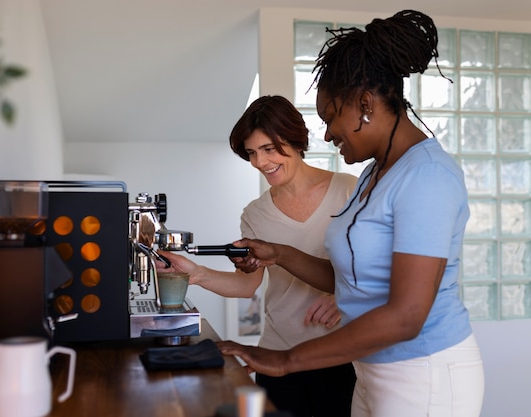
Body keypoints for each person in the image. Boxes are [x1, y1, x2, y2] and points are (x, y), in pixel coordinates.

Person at [216, 10, 485, 417]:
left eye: (329, 117)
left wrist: (286, 360)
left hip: (423, 373)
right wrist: (279, 253)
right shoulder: (373, 176)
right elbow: (350, 280)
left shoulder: (427, 175)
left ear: (364, 104)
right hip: (373, 371)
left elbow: (406, 316)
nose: (325, 134)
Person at [158, 95, 357, 417]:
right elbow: (246, 286)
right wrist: (194, 273)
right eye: (252, 152)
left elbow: (375, 270)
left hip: (338, 352)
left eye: (269, 149)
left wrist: (345, 296)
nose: (260, 162)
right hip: (276, 353)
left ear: (296, 140)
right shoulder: (256, 213)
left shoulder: (348, 191)